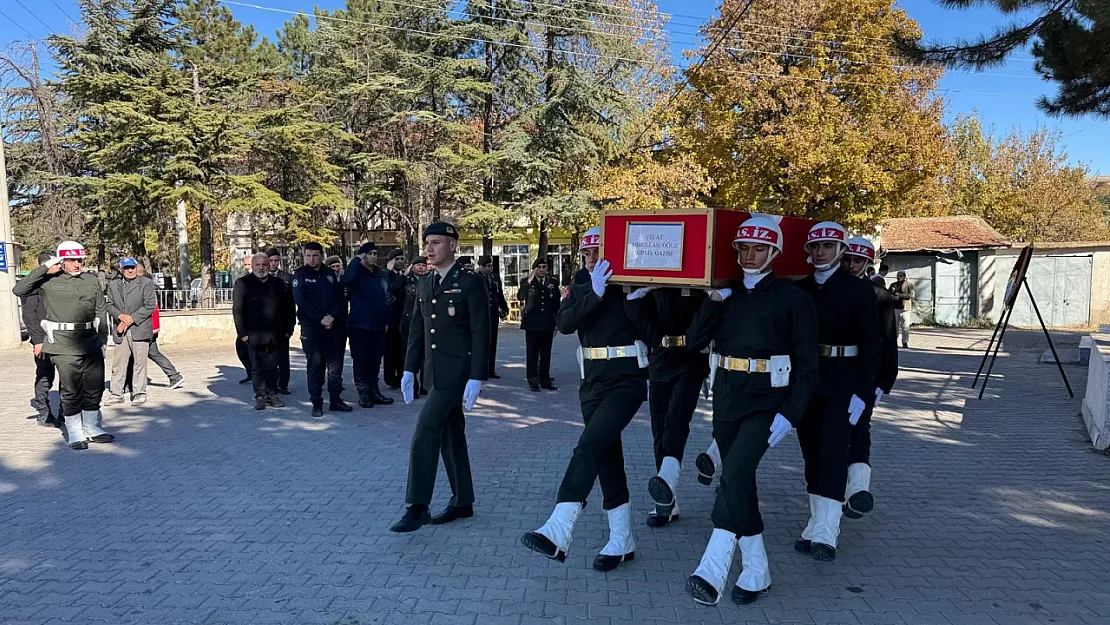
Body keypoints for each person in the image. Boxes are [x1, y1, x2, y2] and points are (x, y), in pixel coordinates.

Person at [682, 216, 819, 606]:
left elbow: (809, 366)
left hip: (768, 403)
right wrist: (712, 301)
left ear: (774, 252)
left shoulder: (794, 300)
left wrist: (790, 414)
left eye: (758, 249)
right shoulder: (728, 295)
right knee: (742, 483)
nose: (749, 256)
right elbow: (694, 343)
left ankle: (712, 567)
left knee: (736, 473)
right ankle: (757, 570)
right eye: (743, 248)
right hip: (727, 399)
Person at [520, 226, 657, 572]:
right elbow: (563, 323)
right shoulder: (581, 284)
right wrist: (594, 294)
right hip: (592, 382)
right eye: (587, 254)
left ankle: (560, 525)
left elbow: (655, 334)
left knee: (588, 445)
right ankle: (621, 539)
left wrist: (637, 300)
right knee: (606, 456)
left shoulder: (631, 283)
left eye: (598, 253)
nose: (592, 260)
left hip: (626, 380)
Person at [391, 222, 490, 533]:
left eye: (436, 242)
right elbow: (417, 332)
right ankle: (463, 501)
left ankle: (417, 506)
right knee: (450, 434)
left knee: (425, 430)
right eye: (427, 243)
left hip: (457, 372)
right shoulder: (425, 282)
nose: (429, 249)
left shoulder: (470, 282)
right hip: (434, 373)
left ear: (452, 246)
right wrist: (409, 369)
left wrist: (477, 375)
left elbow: (480, 332)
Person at [793, 222, 881, 562]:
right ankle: (815, 523)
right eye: (815, 248)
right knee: (811, 454)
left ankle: (827, 532)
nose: (820, 253)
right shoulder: (800, 290)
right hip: (808, 380)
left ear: (841, 250)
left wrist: (865, 389)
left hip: (844, 380)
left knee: (833, 452)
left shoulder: (859, 291)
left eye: (827, 247)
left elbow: (872, 343)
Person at [13, 241, 114, 450]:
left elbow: (100, 310)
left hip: (89, 340)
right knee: (71, 388)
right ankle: (75, 430)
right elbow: (19, 289)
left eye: (79, 260)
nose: (77, 264)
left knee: (94, 386)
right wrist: (45, 268)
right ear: (62, 261)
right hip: (62, 342)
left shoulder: (91, 280)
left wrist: (103, 339)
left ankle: (92, 426)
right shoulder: (49, 280)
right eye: (71, 260)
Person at [641, 286, 709, 528]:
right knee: (659, 427)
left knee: (677, 419)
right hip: (660, 359)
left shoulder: (697, 281)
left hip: (691, 359)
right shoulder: (654, 283)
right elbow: (644, 321)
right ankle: (667, 501)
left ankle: (667, 480)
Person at [841, 238, 899, 519]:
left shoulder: (880, 295)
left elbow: (888, 339)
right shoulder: (830, 289)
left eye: (858, 261)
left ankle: (858, 489)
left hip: (865, 374)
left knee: (860, 428)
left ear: (867, 264)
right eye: (848, 259)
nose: (852, 265)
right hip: (832, 372)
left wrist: (885, 381)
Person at [292, 242, 352, 417]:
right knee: (315, 365)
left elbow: (340, 298)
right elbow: (301, 301)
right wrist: (321, 318)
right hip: (312, 327)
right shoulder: (300, 275)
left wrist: (332, 316)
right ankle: (316, 402)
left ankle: (335, 399)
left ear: (322, 256)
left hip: (333, 326)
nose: (312, 259)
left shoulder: (329, 275)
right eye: (308, 255)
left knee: (335, 364)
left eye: (315, 255)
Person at [234, 252, 296, 410]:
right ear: (253, 266)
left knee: (273, 367)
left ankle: (273, 394)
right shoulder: (243, 283)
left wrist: (289, 328)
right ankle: (260, 396)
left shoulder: (279, 284)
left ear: (269, 266)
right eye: (258, 265)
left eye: (264, 265)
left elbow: (289, 308)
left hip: (276, 334)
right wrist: (242, 334)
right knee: (257, 367)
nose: (261, 267)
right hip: (254, 334)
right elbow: (238, 310)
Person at [343, 242, 395, 408]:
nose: (373, 256)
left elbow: (388, 297)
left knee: (375, 360)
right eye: (369, 253)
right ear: (363, 255)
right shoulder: (356, 273)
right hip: (359, 325)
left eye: (375, 253)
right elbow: (347, 280)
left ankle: (374, 391)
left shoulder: (381, 274)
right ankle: (363, 392)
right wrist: (355, 260)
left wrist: (386, 320)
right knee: (361, 360)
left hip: (378, 325)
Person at [105, 257, 157, 406]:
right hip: (121, 330)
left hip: (139, 329)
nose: (130, 270)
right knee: (119, 363)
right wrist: (120, 316)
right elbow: (109, 305)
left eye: (132, 267)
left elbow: (149, 306)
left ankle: (139, 392)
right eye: (126, 268)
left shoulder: (146, 283)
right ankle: (116, 393)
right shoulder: (114, 285)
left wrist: (131, 319)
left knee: (140, 363)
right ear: (121, 270)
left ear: (136, 268)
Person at [21, 251, 58, 427]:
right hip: (43, 339)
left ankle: (66, 413)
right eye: (54, 264)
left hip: (61, 338)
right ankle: (44, 413)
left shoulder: (57, 281)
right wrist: (37, 340)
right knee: (45, 376)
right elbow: (29, 316)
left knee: (68, 377)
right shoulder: (32, 285)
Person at [135, 264, 184, 390]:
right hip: (152, 326)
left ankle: (174, 376)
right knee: (153, 353)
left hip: (146, 327)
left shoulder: (142, 286)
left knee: (140, 354)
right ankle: (174, 376)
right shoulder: (147, 284)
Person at [517, 257, 560, 392]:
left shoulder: (552, 282)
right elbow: (520, 296)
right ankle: (532, 379)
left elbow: (556, 304)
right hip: (532, 324)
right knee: (532, 353)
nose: (542, 270)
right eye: (539, 267)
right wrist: (529, 281)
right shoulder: (528, 282)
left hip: (547, 323)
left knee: (546, 353)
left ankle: (545, 379)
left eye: (544, 267)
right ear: (535, 269)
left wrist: (557, 322)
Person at [400, 255, 429, 397]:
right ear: (412, 267)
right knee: (410, 355)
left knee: (426, 356)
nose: (421, 268)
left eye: (423, 265)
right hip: (408, 322)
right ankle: (413, 386)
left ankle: (425, 385)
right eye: (418, 265)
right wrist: (403, 275)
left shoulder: (429, 281)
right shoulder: (406, 281)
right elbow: (393, 290)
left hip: (426, 323)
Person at [266, 248, 294, 395]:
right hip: (266, 326)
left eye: (276, 260)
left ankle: (283, 384)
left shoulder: (287, 278)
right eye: (270, 261)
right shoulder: (261, 277)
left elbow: (291, 304)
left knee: (283, 357)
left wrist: (291, 326)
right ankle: (270, 384)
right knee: (269, 357)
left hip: (283, 325)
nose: (273, 264)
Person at [477, 256, 509, 378]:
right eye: (487, 266)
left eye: (490, 266)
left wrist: (504, 307)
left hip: (493, 313)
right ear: (481, 266)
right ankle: (481, 369)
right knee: (482, 342)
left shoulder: (495, 277)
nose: (490, 268)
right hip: (481, 314)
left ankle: (491, 369)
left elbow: (499, 294)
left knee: (492, 341)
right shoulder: (476, 277)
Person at [384, 249, 408, 390]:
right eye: (397, 259)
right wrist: (403, 276)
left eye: (402, 258)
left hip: (403, 318)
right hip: (390, 319)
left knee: (402, 350)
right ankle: (390, 379)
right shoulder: (386, 275)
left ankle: (401, 376)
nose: (400, 261)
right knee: (390, 351)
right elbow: (391, 289)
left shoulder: (406, 276)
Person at [235, 256, 254, 384]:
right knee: (241, 348)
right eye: (245, 265)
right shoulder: (243, 281)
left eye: (248, 264)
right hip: (247, 323)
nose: (247, 267)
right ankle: (251, 372)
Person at [890, 270, 915, 348]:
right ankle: (894, 342)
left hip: (905, 308)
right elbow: (888, 294)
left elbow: (911, 295)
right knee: (895, 327)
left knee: (905, 327)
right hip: (895, 308)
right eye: (898, 275)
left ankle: (905, 342)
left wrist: (900, 295)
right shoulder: (893, 285)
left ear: (904, 276)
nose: (899, 277)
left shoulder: (909, 285)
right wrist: (893, 297)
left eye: (901, 276)